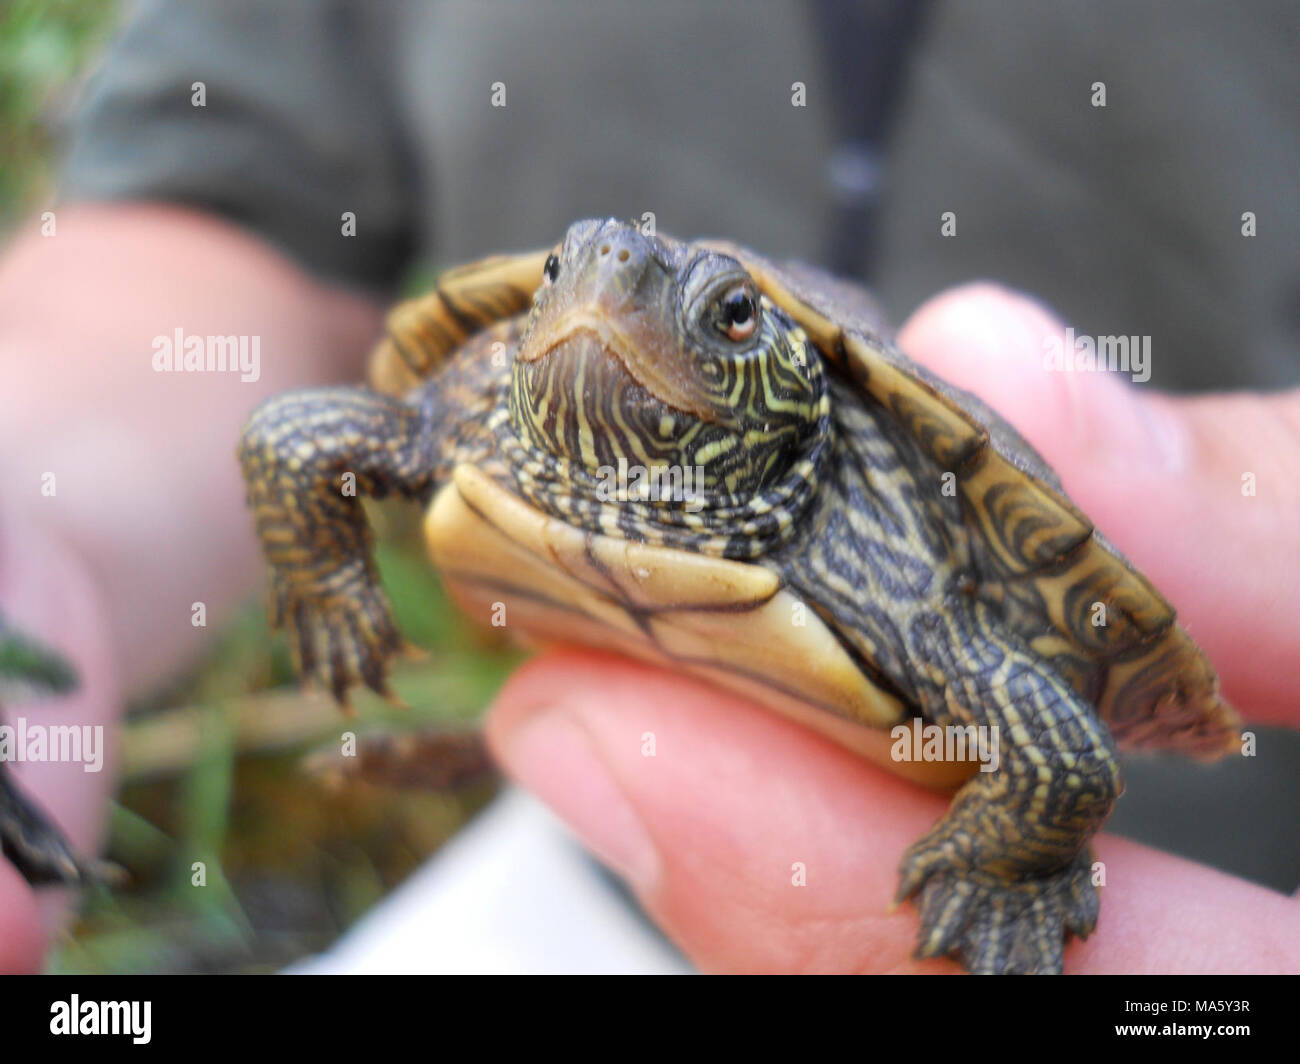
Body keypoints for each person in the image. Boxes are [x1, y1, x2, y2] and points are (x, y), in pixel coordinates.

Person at [1, 0, 1296, 973]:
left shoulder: (882, 509)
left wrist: (1011, 864)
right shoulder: (486, 398)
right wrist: (42, 505)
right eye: (576, 275)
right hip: (580, 835)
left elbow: (1063, 752)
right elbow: (269, 362)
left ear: (785, 377)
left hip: (1188, 895)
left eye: (724, 319)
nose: (605, 296)